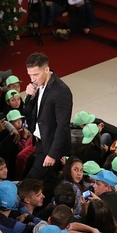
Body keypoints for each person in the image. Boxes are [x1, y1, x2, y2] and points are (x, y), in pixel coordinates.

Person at [23, 53, 73, 186]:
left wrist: (52, 154)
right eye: (30, 75)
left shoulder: (61, 91)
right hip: (40, 141)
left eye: (36, 74)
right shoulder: (38, 85)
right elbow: (29, 113)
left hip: (50, 147)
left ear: (46, 69)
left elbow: (63, 126)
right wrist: (30, 97)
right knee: (49, 182)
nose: (32, 79)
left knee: (30, 182)